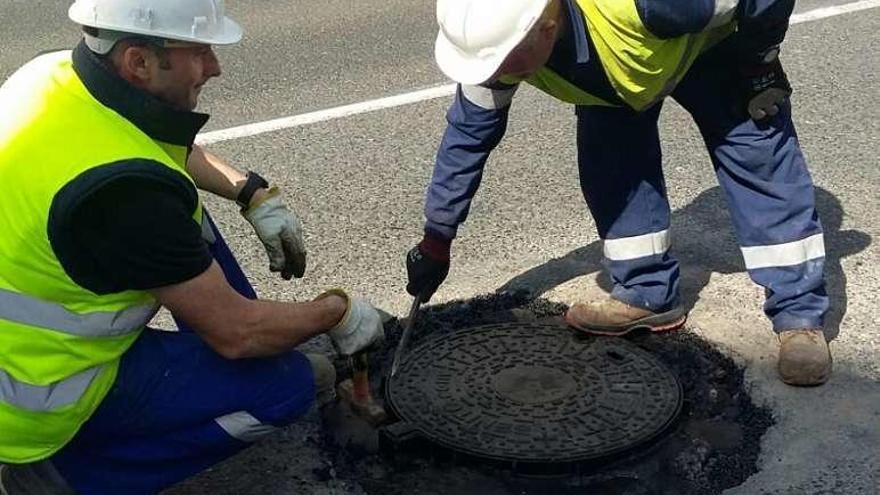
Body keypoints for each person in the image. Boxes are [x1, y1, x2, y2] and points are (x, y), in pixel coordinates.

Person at [0, 1, 384, 493]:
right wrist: (337, 312)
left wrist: (250, 191)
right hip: (36, 391)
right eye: (200, 51)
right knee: (287, 387)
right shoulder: (123, 192)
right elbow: (237, 335)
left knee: (184, 219)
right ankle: (68, 478)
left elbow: (155, 139)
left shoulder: (53, 74)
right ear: (138, 61)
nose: (215, 67)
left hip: (29, 309)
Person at [405, 0, 832, 386]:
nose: (495, 75)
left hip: (710, 47)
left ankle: (799, 317)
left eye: (502, 63)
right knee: (611, 160)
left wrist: (760, 59)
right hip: (618, 76)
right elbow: (467, 136)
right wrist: (436, 238)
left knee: (758, 158)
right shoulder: (497, 45)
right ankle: (647, 292)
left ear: (544, 28)